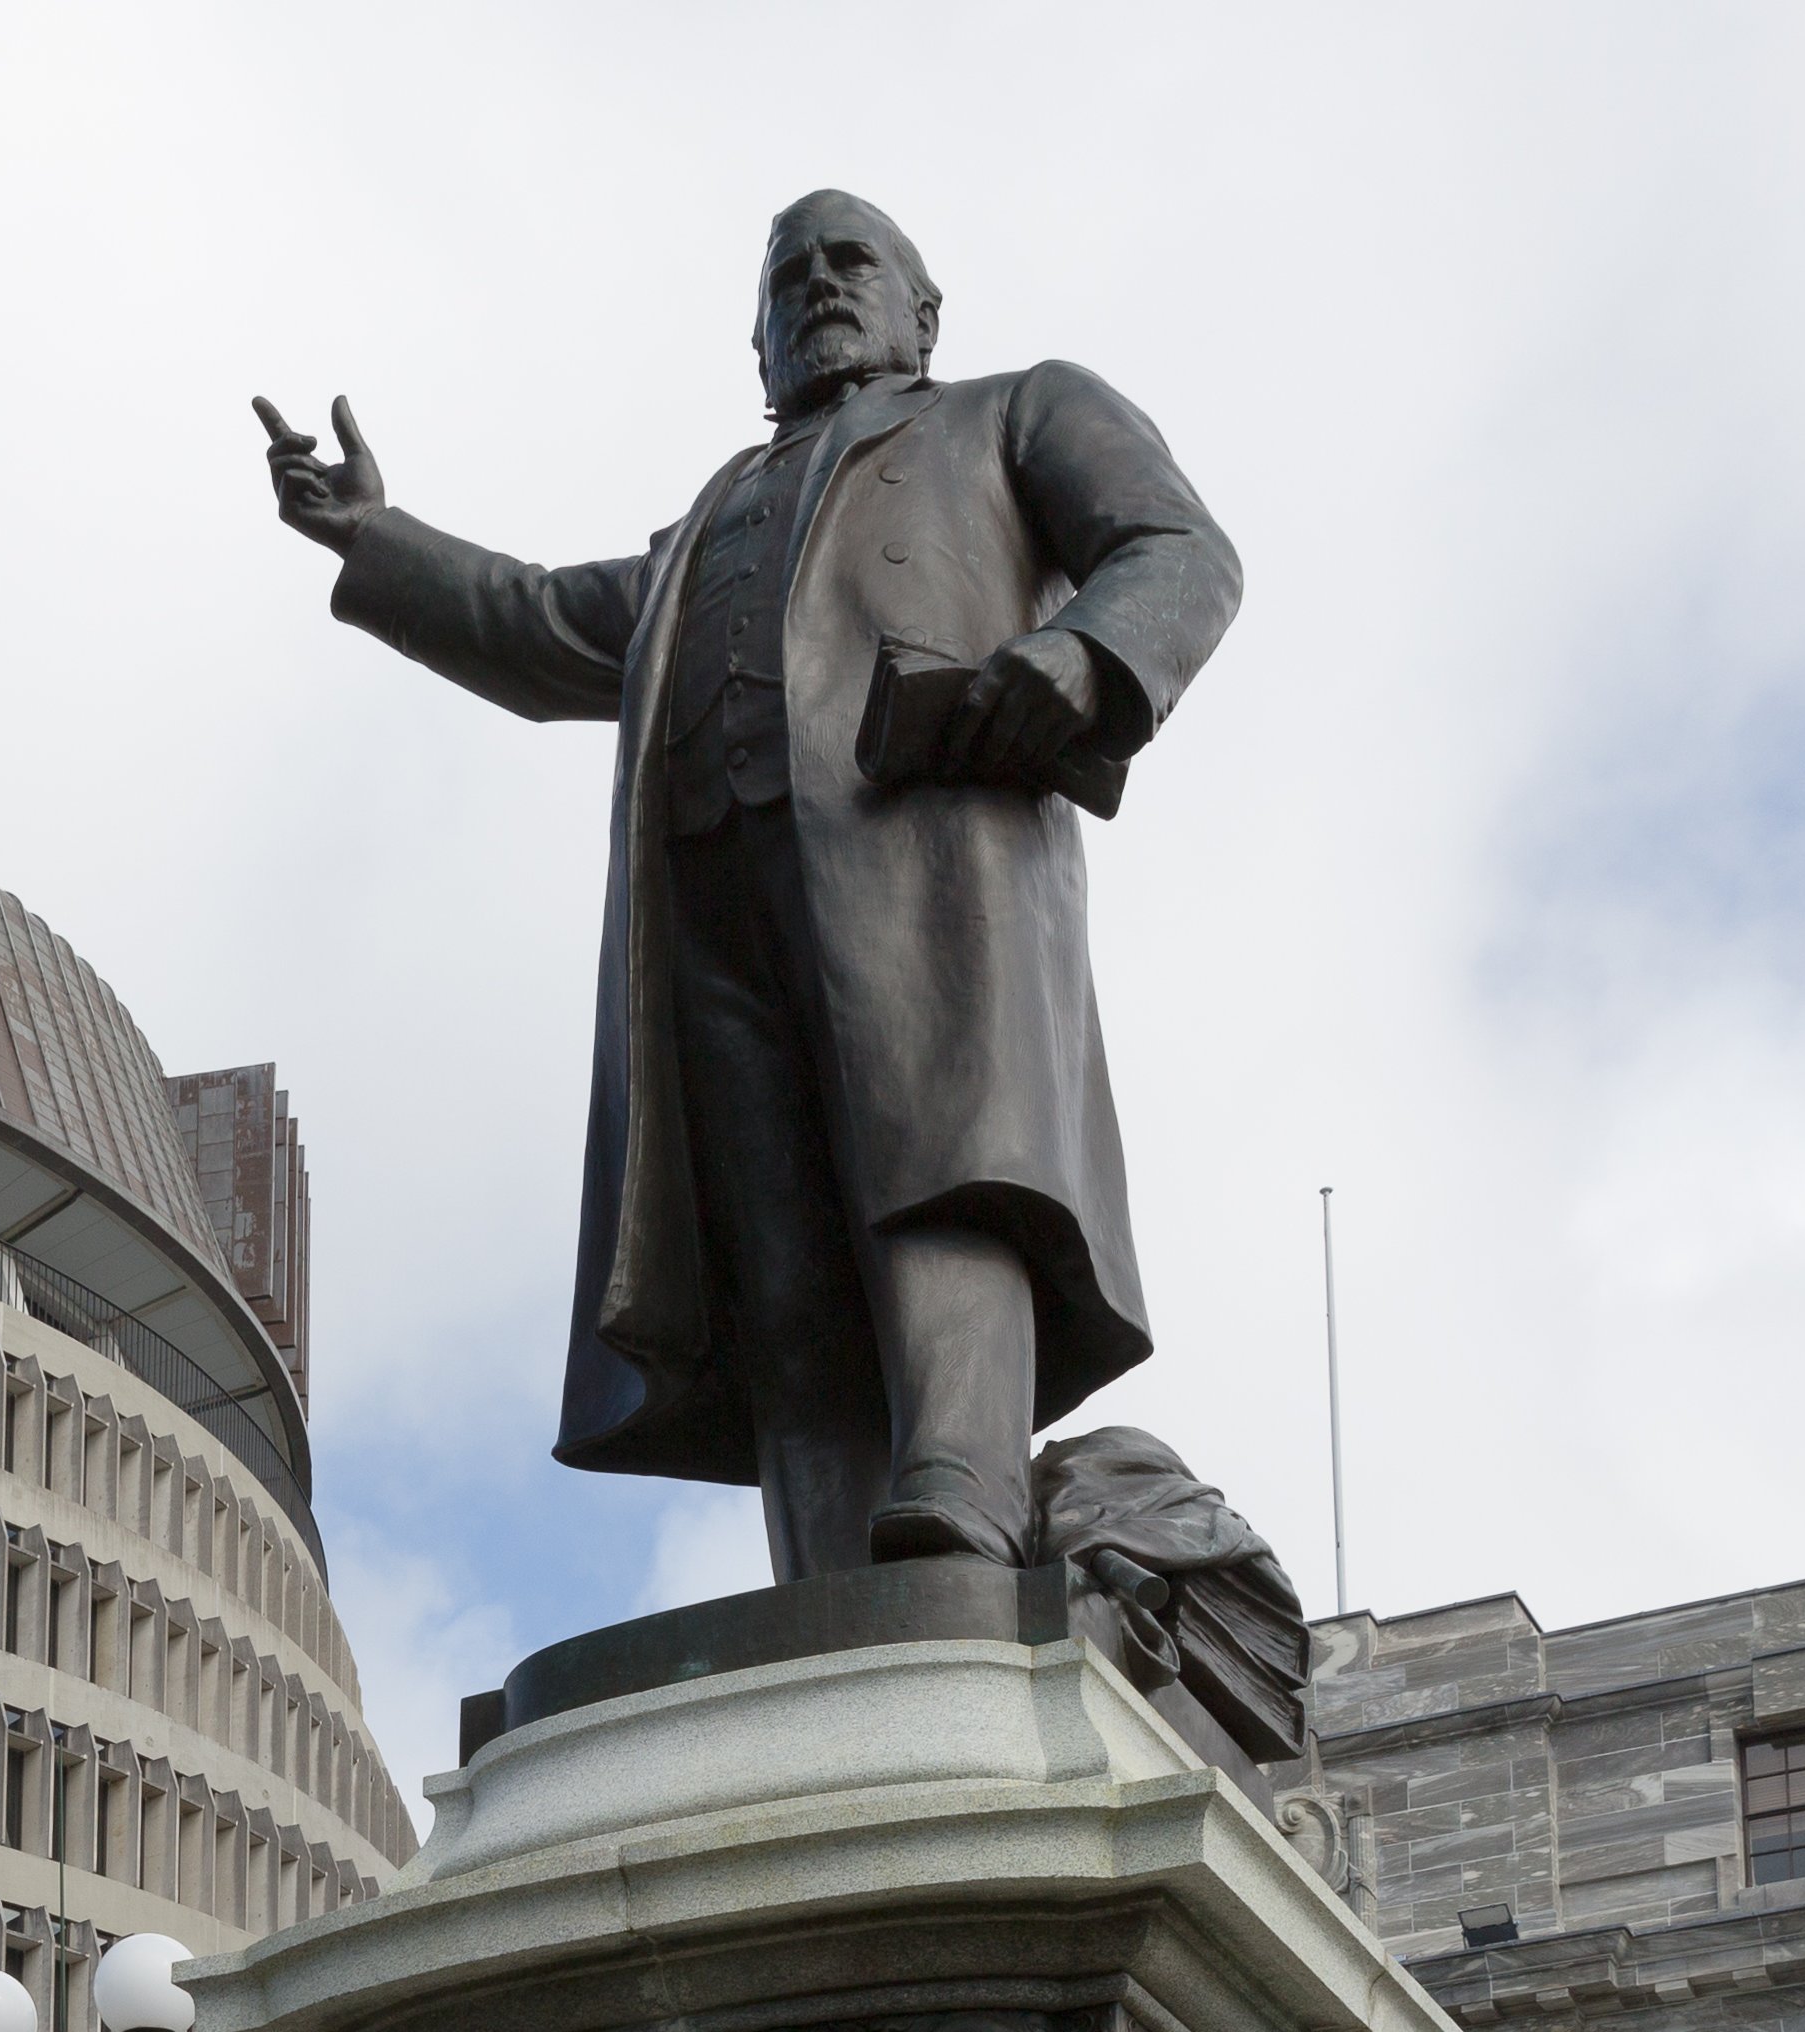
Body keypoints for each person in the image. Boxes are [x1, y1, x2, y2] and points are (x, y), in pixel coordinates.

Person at [256, 189, 1243, 1580]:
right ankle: (831, 1573)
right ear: (757, 344)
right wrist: (372, 535)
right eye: (788, 280)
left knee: (943, 1169)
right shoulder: (709, 521)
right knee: (774, 1249)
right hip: (711, 903)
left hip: (921, 859)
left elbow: (1178, 549)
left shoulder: (1012, 413)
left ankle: (961, 1476)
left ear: (922, 312)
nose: (820, 289)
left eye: (852, 264)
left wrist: (1082, 657)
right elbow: (539, 623)